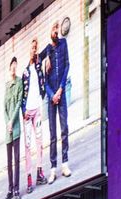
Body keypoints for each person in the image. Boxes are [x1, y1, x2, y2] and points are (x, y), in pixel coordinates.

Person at [40, 20, 71, 185]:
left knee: (64, 128)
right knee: (52, 135)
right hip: (51, 98)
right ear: (49, 31)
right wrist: (52, 95)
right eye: (54, 28)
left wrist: (60, 90)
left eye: (57, 28)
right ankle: (53, 168)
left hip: (61, 93)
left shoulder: (63, 44)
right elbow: (41, 78)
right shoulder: (45, 52)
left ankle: (65, 163)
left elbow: (67, 65)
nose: (56, 31)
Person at [21, 37, 47, 194]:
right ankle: (29, 178)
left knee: (39, 142)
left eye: (36, 48)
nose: (34, 50)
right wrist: (23, 110)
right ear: (28, 50)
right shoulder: (25, 71)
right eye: (32, 48)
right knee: (28, 146)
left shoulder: (38, 66)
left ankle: (39, 171)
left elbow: (48, 50)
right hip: (27, 113)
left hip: (37, 109)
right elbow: (22, 93)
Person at [4, 56, 23, 199]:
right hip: (8, 130)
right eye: (13, 65)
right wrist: (7, 123)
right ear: (10, 67)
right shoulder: (6, 85)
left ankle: (17, 188)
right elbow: (4, 107)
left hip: (15, 127)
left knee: (16, 160)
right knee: (9, 162)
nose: (14, 67)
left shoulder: (19, 82)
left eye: (16, 65)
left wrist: (11, 122)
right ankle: (10, 188)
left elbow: (18, 104)